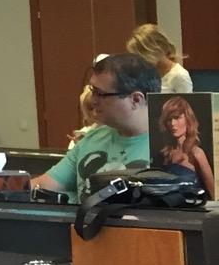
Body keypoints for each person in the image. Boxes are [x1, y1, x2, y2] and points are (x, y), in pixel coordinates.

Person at [33, 53, 157, 200]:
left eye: (100, 94)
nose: (92, 100)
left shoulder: (170, 149)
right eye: (93, 91)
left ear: (135, 99)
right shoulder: (92, 139)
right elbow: (43, 185)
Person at [156, 95, 214, 193]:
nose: (172, 123)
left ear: (188, 119)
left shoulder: (196, 153)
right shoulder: (167, 154)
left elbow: (214, 193)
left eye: (177, 117)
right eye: (169, 119)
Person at [128, 24, 192, 94]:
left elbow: (186, 101)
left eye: (144, 55)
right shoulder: (145, 74)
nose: (141, 60)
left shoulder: (179, 76)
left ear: (159, 49)